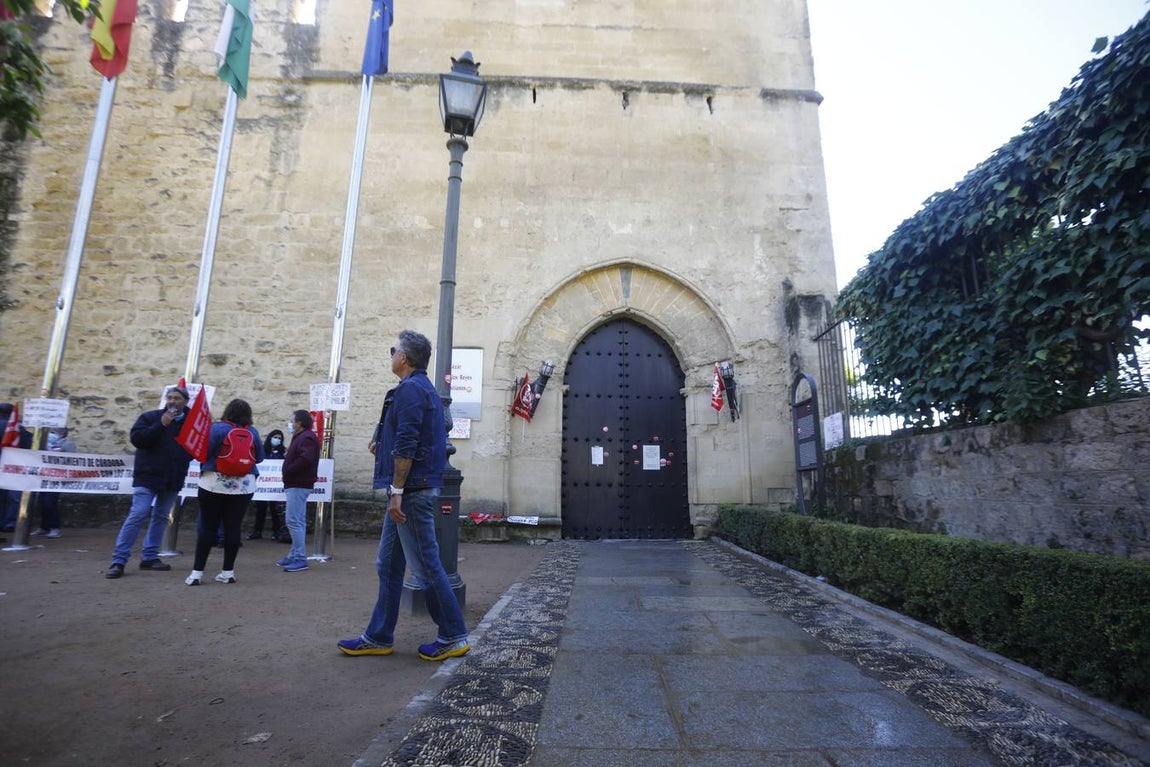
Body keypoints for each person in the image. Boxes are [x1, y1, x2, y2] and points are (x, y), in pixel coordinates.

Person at [338, 330, 470, 661]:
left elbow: (408, 442)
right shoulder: (416, 388)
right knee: (388, 563)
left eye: (393, 349)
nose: (391, 354)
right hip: (410, 490)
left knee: (426, 566)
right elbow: (408, 436)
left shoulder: (412, 390)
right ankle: (379, 636)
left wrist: (396, 491)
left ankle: (453, 635)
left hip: (411, 493)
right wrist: (382, 445)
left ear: (404, 358)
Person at [105, 385, 194, 579]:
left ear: (186, 401)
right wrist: (161, 424)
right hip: (148, 476)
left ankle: (150, 557)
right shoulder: (150, 417)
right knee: (137, 514)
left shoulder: (192, 423)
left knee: (161, 516)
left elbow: (196, 447)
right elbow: (138, 440)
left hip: (173, 477)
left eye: (177, 398)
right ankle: (119, 561)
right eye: (170, 398)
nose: (172, 401)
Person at [185, 398, 264, 586]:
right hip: (243, 485)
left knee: (208, 527)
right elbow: (260, 457)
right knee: (233, 528)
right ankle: (228, 572)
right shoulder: (252, 432)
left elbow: (203, 453)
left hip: (213, 482)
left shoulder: (217, 428)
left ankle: (196, 574)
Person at [277, 410, 320, 573]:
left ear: (299, 423)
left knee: (293, 521)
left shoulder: (306, 438)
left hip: (298, 483)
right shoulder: (304, 437)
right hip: (297, 483)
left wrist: (289, 469)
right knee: (298, 521)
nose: (290, 424)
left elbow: (306, 458)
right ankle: (294, 554)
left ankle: (300, 557)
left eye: (292, 421)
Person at [31, 427, 77, 538]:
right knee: (41, 501)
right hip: (44, 476)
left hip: (57, 477)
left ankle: (55, 528)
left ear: (62, 434)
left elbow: (70, 460)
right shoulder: (45, 445)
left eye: (53, 432)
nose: (51, 435)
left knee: (50, 502)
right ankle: (44, 527)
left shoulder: (68, 444)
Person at [248, 429, 286, 540]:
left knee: (275, 509)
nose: (277, 440)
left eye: (279, 438)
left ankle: (277, 531)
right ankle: (257, 531)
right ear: (270, 437)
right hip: (262, 485)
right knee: (261, 508)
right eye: (275, 437)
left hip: (276, 485)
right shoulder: (263, 451)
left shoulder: (282, 452)